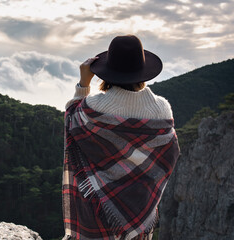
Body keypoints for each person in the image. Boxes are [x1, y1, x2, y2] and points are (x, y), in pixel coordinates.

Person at [62, 35, 180, 240]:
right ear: (143, 71)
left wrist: (83, 83)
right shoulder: (163, 108)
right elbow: (169, 154)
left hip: (98, 210)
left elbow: (72, 119)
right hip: (141, 209)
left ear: (107, 72)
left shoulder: (93, 106)